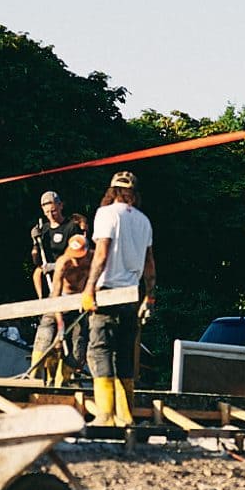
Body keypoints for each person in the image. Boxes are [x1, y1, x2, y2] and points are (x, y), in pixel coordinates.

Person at [80, 170, 156, 426]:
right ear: (133, 195)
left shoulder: (106, 214)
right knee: (124, 355)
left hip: (107, 294)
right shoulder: (144, 221)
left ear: (112, 191)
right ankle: (125, 416)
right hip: (131, 298)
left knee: (99, 351)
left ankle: (105, 415)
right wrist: (150, 297)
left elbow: (101, 254)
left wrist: (89, 288)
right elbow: (149, 264)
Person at [28, 215, 90, 382]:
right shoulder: (63, 262)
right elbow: (55, 295)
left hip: (81, 303)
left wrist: (87, 300)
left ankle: (63, 381)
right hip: (61, 300)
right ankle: (35, 374)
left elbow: (96, 283)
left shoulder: (92, 261)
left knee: (78, 343)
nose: (76, 263)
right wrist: (60, 323)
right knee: (47, 331)